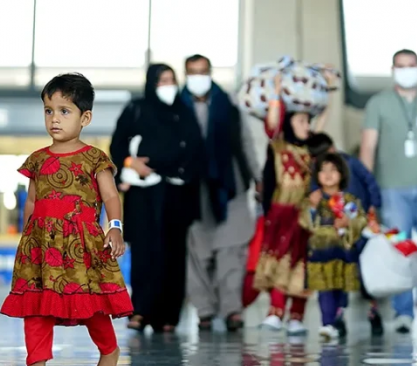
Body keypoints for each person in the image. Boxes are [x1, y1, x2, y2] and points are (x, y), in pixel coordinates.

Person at [0, 73, 133, 366]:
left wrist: (115, 227)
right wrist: (27, 235)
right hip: (41, 245)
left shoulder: (94, 159)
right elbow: (32, 202)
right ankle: (36, 362)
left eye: (64, 111)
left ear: (85, 117)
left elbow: (111, 196)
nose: (54, 119)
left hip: (82, 243)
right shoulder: (37, 160)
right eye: (49, 111)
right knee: (35, 304)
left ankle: (109, 349)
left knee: (91, 302)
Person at [359, 49, 417, 333]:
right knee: (399, 247)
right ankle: (403, 311)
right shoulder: (378, 104)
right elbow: (368, 148)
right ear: (392, 70)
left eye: (411, 66)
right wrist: (367, 191)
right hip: (391, 188)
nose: (406, 70)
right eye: (401, 66)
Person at [110, 64, 203, 333]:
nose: (168, 85)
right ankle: (140, 311)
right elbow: (117, 145)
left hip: (176, 192)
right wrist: (130, 163)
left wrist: (182, 172)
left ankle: (168, 316)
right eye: (162, 80)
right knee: (145, 252)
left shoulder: (183, 112)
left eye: (171, 80)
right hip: (144, 192)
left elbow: (195, 149)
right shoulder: (137, 108)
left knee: (173, 253)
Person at [180, 54, 262, 332]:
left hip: (230, 187)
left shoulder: (229, 106)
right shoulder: (177, 108)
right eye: (192, 72)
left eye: (202, 71)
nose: (198, 77)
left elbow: (246, 144)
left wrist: (258, 179)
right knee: (197, 253)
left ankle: (231, 311)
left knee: (231, 250)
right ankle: (204, 310)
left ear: (210, 73)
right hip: (192, 190)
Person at [254, 74, 315, 336]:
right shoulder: (279, 146)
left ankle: (297, 316)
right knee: (278, 261)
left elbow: (321, 118)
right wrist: (277, 95)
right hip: (281, 212)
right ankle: (275, 311)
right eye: (301, 120)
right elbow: (272, 125)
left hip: (306, 216)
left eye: (308, 121)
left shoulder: (314, 151)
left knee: (303, 263)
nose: (307, 125)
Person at [307, 134, 384, 335]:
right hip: (333, 240)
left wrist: (373, 207)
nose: (328, 172)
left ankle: (372, 309)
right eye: (322, 166)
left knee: (365, 270)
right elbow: (312, 211)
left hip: (359, 229)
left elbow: (369, 181)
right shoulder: (317, 185)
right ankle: (337, 315)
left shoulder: (352, 164)